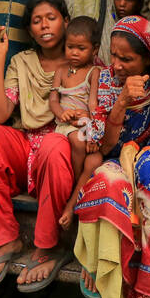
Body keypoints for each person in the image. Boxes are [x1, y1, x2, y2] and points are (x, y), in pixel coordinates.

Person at [0, 0, 76, 292]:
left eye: (51, 18)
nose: (44, 26)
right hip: (25, 148)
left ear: (65, 22)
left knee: (54, 143)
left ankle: (48, 246)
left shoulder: (81, 58)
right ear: (30, 31)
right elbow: (0, 115)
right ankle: (4, 240)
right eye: (37, 21)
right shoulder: (22, 61)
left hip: (59, 154)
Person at [73, 15, 150, 298]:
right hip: (116, 156)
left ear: (146, 60)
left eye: (126, 59)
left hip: (148, 153)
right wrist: (121, 102)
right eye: (114, 55)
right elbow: (104, 146)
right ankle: (102, 262)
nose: (116, 64)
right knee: (107, 181)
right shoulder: (105, 80)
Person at [51, 16, 102, 228]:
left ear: (94, 49)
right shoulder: (61, 71)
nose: (74, 52)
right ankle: (72, 184)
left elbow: (93, 104)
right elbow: (53, 99)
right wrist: (62, 112)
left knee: (95, 161)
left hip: (85, 124)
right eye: (70, 47)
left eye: (81, 48)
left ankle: (72, 203)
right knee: (79, 142)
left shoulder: (94, 72)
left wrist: (92, 128)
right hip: (65, 125)